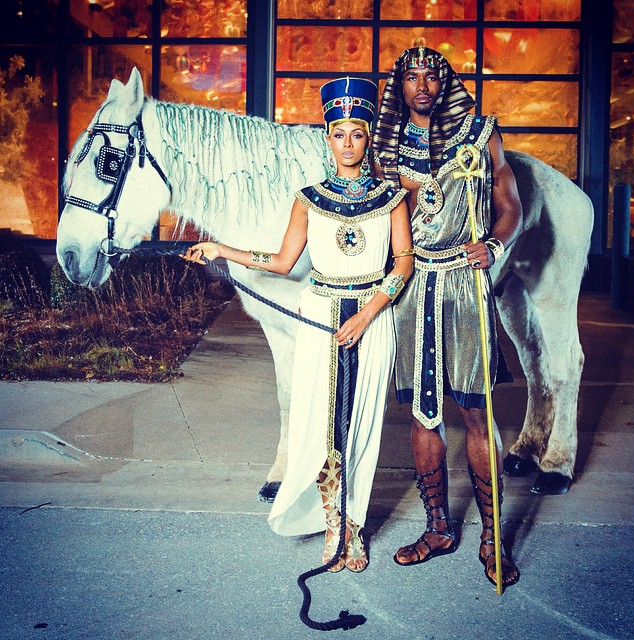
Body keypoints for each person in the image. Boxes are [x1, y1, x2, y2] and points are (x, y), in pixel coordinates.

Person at [182, 77, 413, 573]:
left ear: (367, 138)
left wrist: (368, 314)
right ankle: (332, 524)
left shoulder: (392, 198)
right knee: (322, 426)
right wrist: (222, 249)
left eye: (356, 134)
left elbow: (403, 264)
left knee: (362, 427)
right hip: (321, 319)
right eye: (338, 134)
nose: (347, 143)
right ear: (327, 139)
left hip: (372, 320)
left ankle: (354, 527)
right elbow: (282, 261)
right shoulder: (307, 198)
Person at [371, 46, 523, 588]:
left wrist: (495, 243)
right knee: (423, 414)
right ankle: (438, 528)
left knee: (477, 413)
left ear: (445, 83)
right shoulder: (384, 148)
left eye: (431, 76)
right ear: (400, 86)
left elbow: (509, 203)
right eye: (411, 77)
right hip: (412, 287)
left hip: (464, 283)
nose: (422, 85)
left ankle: (492, 537)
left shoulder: (481, 133)